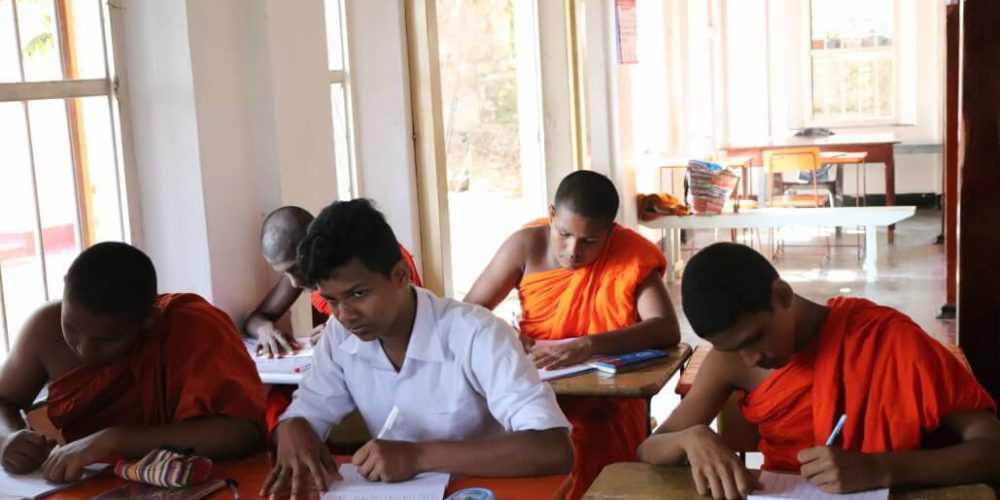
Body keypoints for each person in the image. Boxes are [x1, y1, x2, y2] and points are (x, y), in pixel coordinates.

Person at [260, 199, 573, 499]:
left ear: (400, 275)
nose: (345, 315)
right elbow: (306, 412)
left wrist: (418, 456)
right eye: (331, 300)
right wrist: (293, 427)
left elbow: (553, 449)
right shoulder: (340, 338)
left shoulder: (476, 334)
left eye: (358, 293)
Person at [638, 242, 1000, 499]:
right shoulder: (729, 361)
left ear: (782, 295)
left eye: (756, 338)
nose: (750, 359)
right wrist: (692, 437)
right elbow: (647, 450)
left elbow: (993, 449)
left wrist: (880, 469)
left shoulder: (888, 339)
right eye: (733, 348)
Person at [464, 170, 682, 498]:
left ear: (610, 232)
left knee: (598, 462)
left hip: (609, 402)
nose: (573, 250)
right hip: (535, 390)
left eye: (590, 241)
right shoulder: (525, 246)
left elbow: (665, 328)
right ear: (551, 215)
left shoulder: (629, 253)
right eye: (564, 234)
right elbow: (470, 312)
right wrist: (506, 335)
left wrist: (589, 345)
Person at [0, 242, 265, 482]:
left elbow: (240, 435)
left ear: (150, 320)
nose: (84, 348)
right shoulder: (45, 329)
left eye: (106, 340)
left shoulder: (193, 327)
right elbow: (4, 399)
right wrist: (8, 438)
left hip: (204, 483)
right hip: (96, 486)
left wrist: (116, 439)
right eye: (71, 327)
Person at [245, 206, 422, 358]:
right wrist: (265, 330)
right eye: (285, 273)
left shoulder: (368, 263)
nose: (294, 283)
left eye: (296, 269)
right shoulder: (301, 275)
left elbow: (400, 324)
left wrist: (344, 332)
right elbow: (258, 317)